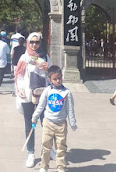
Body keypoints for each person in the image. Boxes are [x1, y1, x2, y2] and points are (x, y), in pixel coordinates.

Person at [32, 65, 77, 172]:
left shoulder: (66, 93)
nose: (58, 81)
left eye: (59, 78)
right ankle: (44, 166)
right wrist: (35, 116)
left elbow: (70, 109)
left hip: (61, 124)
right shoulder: (47, 91)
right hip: (48, 123)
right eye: (55, 79)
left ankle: (61, 167)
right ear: (50, 79)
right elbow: (41, 105)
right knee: (45, 146)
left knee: (61, 148)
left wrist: (72, 122)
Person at [14, 32, 50, 168]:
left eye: (37, 42)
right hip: (27, 95)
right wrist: (19, 90)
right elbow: (18, 75)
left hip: (42, 94)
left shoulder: (45, 57)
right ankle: (31, 153)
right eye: (32, 42)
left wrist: (47, 69)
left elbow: (52, 75)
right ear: (28, 43)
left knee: (46, 123)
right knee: (30, 124)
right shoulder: (24, 57)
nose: (34, 45)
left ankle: (48, 149)